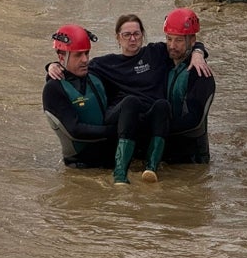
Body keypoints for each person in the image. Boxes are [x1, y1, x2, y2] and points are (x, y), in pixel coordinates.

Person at [47, 15, 212, 183]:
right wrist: (53, 66)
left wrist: (199, 52)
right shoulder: (105, 64)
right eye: (126, 34)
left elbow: (183, 45)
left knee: (162, 105)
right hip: (123, 114)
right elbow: (74, 67)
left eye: (137, 34)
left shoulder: (156, 53)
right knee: (131, 101)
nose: (132, 39)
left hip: (152, 117)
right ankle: (120, 174)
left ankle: (151, 168)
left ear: (143, 35)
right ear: (118, 37)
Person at [41, 24, 148, 185]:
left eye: (87, 53)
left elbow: (129, 75)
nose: (85, 60)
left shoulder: (96, 76)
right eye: (78, 55)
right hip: (83, 169)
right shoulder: (53, 89)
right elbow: (75, 130)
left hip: (112, 161)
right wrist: (116, 131)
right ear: (61, 57)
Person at [163, 8, 216, 149]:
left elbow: (194, 120)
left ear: (192, 40)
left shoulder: (200, 74)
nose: (172, 46)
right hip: (164, 146)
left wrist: (156, 128)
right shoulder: (164, 59)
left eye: (179, 40)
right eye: (169, 39)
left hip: (190, 155)